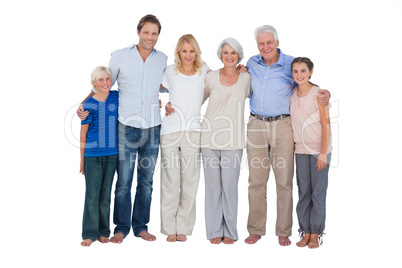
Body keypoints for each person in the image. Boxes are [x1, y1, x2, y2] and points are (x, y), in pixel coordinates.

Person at [77, 14, 167, 243]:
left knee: (146, 182)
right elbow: (103, 82)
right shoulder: (120, 57)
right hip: (126, 127)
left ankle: (141, 226)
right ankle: (121, 227)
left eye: (154, 33)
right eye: (146, 32)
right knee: (124, 182)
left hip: (153, 128)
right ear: (138, 32)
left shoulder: (162, 59)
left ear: (158, 35)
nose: (150, 37)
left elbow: (167, 85)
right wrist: (83, 104)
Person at [245, 25, 330, 246]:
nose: (266, 46)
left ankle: (284, 230)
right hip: (256, 125)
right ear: (257, 45)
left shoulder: (291, 65)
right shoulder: (252, 63)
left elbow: (307, 86)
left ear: (277, 42)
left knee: (284, 181)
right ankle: (256, 229)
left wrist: (325, 92)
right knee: (256, 180)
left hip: (283, 126)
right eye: (261, 43)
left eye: (269, 42)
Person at [159, 34, 209, 242]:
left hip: (193, 131)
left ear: (196, 51)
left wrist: (241, 69)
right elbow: (155, 90)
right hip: (170, 131)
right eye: (184, 50)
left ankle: (185, 228)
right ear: (178, 52)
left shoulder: (204, 70)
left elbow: (225, 77)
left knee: (190, 182)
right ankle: (169, 227)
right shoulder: (169, 71)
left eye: (191, 50)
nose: (188, 55)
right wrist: (163, 103)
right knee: (170, 181)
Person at [200, 38, 251, 245]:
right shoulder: (210, 77)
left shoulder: (247, 77)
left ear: (239, 55)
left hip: (234, 141)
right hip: (208, 138)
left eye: (233, 53)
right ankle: (213, 230)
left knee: (230, 188)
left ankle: (230, 230)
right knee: (212, 188)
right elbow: (196, 100)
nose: (229, 56)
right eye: (225, 53)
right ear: (220, 55)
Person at [290, 57, 332, 249]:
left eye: (303, 71)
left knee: (318, 192)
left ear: (310, 73)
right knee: (303, 192)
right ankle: (305, 232)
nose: (299, 75)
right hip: (300, 151)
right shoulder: (292, 94)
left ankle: (316, 233)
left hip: (318, 151)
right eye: (296, 71)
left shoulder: (318, 95)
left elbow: (326, 125)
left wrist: (323, 153)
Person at [79, 66, 118, 247]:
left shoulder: (116, 97)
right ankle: (89, 233)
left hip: (112, 154)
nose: (105, 83)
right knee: (92, 195)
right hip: (92, 156)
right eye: (100, 80)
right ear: (94, 83)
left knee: (105, 195)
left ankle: (103, 232)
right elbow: (83, 134)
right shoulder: (88, 105)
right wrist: (81, 159)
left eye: (107, 79)